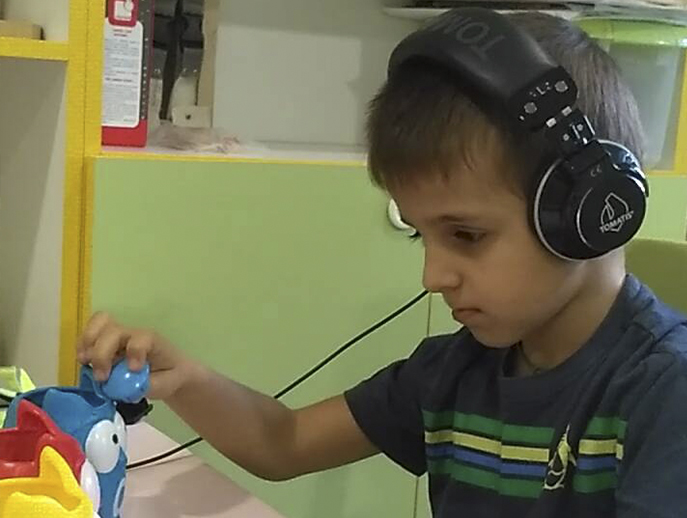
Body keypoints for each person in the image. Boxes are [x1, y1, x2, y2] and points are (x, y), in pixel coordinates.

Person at [77, 8, 687, 517]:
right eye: (423, 236)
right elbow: (285, 442)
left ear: (591, 211)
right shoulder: (454, 372)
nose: (433, 277)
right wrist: (185, 378)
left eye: (467, 235)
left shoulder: (665, 393)